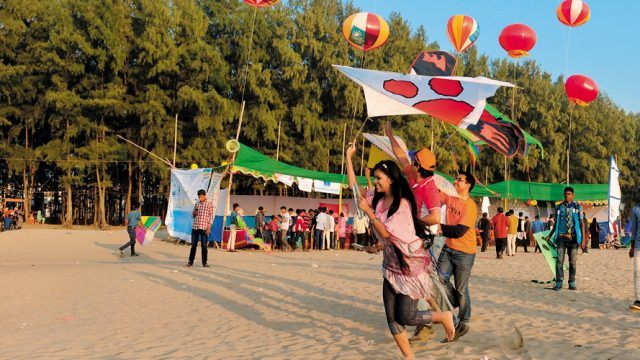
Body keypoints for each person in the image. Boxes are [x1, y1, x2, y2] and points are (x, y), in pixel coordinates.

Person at [345, 143, 455, 358]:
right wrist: (349, 158)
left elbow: (387, 233)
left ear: (391, 180)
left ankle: (443, 317)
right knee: (391, 317)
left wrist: (370, 215)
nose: (375, 182)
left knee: (407, 316)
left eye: (378, 179)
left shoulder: (403, 204)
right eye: (374, 178)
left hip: (409, 267)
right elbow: (354, 188)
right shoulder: (376, 199)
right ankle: (409, 357)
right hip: (391, 265)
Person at [436, 170, 478, 340]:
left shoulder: (470, 206)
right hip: (448, 248)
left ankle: (465, 320)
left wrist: (439, 227)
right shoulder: (450, 196)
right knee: (439, 278)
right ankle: (452, 302)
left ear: (467, 185)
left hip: (465, 252)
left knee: (462, 289)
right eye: (456, 179)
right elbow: (435, 196)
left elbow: (459, 231)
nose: (455, 181)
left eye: (459, 180)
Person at [385, 122, 441, 228]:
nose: (409, 161)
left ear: (418, 166)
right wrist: (390, 135)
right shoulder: (413, 173)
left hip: (416, 235)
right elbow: (401, 156)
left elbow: (436, 218)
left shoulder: (430, 188)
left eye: (412, 160)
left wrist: (414, 223)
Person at [545, 187, 585, 291]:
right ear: (564, 195)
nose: (567, 196)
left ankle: (571, 282)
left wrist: (583, 239)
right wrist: (550, 235)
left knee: (573, 262)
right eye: (566, 194)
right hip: (561, 238)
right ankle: (559, 282)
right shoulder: (558, 207)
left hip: (574, 238)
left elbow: (582, 223)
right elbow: (556, 224)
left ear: (573, 195)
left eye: (569, 194)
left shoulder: (578, 207)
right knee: (559, 261)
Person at [186, 189, 214, 267]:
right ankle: (190, 262)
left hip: (204, 228)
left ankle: (204, 263)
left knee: (204, 246)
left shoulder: (209, 204)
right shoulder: (197, 204)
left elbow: (211, 217)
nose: (200, 199)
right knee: (193, 246)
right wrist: (194, 213)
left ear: (205, 196)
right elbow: (192, 215)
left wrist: (209, 228)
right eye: (199, 197)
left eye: (201, 197)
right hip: (195, 227)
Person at [629, 195, 640, 311]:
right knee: (637, 273)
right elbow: (634, 231)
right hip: (638, 247)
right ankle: (638, 299)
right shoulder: (636, 210)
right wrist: (632, 248)